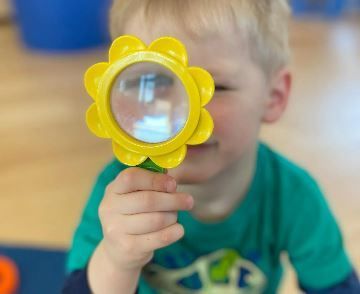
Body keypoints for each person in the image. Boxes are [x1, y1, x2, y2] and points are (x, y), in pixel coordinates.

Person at [62, 1, 359, 293]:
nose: (183, 115)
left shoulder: (293, 197)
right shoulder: (119, 194)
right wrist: (116, 260)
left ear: (274, 97)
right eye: (153, 82)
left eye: (215, 87)